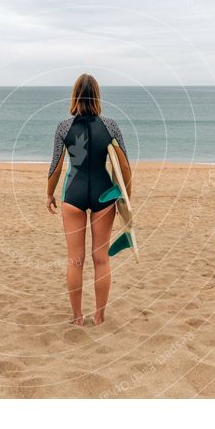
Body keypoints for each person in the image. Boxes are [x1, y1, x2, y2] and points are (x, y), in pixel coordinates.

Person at [46, 74, 131, 326]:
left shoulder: (63, 127)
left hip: (73, 193)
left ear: (75, 96)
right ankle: (99, 315)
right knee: (101, 258)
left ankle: (77, 317)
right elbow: (125, 167)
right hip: (103, 194)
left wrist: (49, 193)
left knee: (75, 259)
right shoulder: (111, 125)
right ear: (97, 95)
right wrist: (126, 198)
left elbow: (56, 166)